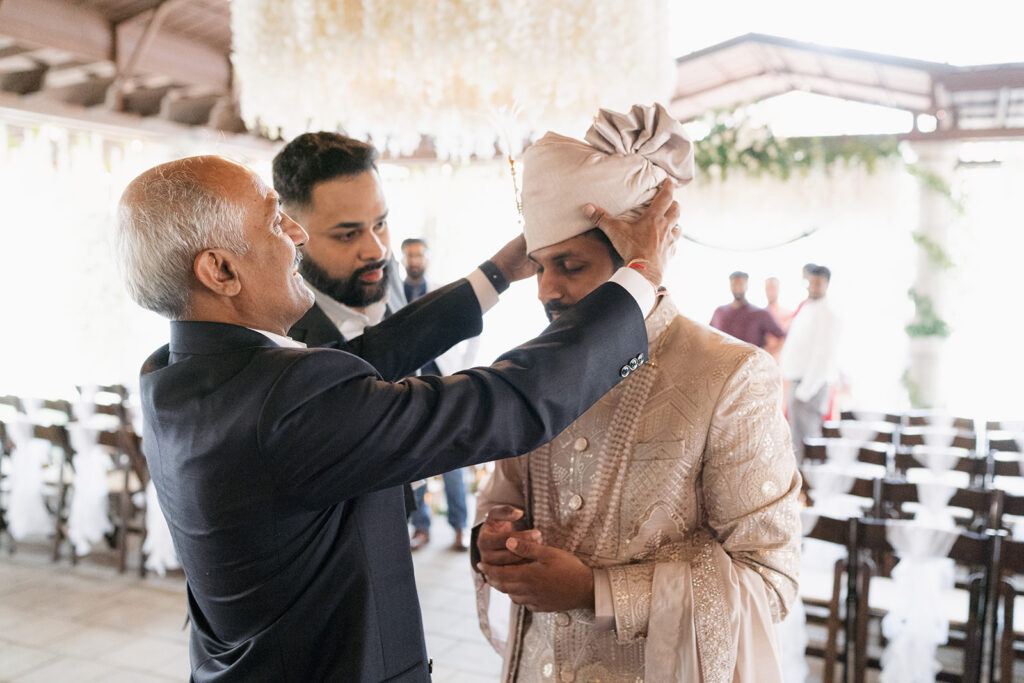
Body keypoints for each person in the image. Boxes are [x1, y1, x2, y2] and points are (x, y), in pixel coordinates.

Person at [114, 154, 679, 681]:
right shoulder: (285, 403)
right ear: (219, 269)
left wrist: (499, 273)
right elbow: (507, 403)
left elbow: (362, 363)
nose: (297, 235)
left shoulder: (171, 372)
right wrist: (637, 277)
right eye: (275, 221)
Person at [473, 104, 801, 683]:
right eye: (540, 266)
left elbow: (769, 579)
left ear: (634, 264)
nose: (546, 289)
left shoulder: (730, 374)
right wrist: (492, 540)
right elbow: (503, 497)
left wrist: (595, 591)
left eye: (569, 265)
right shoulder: (530, 367)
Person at [272, 131, 424, 515]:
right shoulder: (279, 337)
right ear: (291, 233)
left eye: (381, 223)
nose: (377, 249)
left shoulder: (385, 274)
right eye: (348, 234)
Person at [401, 237, 476, 552]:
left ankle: (460, 527)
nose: (414, 260)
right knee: (415, 460)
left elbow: (474, 332)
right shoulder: (394, 293)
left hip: (443, 386)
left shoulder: (442, 291)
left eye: (419, 255)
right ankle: (421, 528)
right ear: (403, 259)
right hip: (407, 390)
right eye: (409, 255)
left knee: (452, 461)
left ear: (427, 258)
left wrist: (464, 368)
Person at [781, 264, 842, 462]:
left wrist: (805, 392)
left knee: (807, 443)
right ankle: (799, 480)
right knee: (795, 442)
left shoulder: (828, 313)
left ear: (827, 284)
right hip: (797, 382)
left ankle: (809, 481)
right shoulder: (807, 307)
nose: (813, 287)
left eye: (818, 283)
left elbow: (823, 356)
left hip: (809, 387)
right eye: (811, 282)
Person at [709, 271, 786, 348]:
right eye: (734, 284)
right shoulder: (719, 312)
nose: (737, 288)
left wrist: (767, 353)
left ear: (746, 286)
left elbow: (783, 337)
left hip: (752, 355)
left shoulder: (760, 314)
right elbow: (709, 336)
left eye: (740, 284)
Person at [763, 276, 794, 362]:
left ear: (779, 289)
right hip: (764, 360)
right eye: (768, 288)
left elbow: (787, 339)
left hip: (782, 360)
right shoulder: (760, 314)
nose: (770, 291)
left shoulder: (788, 314)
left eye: (773, 288)